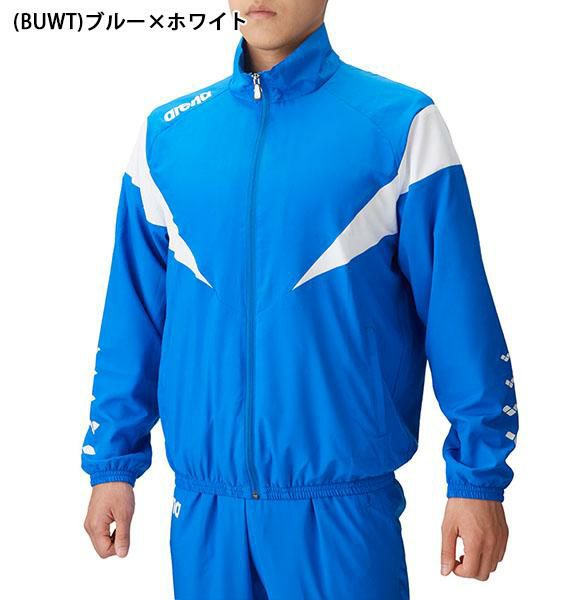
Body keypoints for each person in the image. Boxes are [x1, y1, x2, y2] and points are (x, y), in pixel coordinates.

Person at [82, 1, 518, 598]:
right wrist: (112, 461)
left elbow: (458, 313)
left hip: (344, 516)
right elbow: (133, 316)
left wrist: (477, 479)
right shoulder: (167, 137)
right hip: (207, 514)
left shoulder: (399, 125)